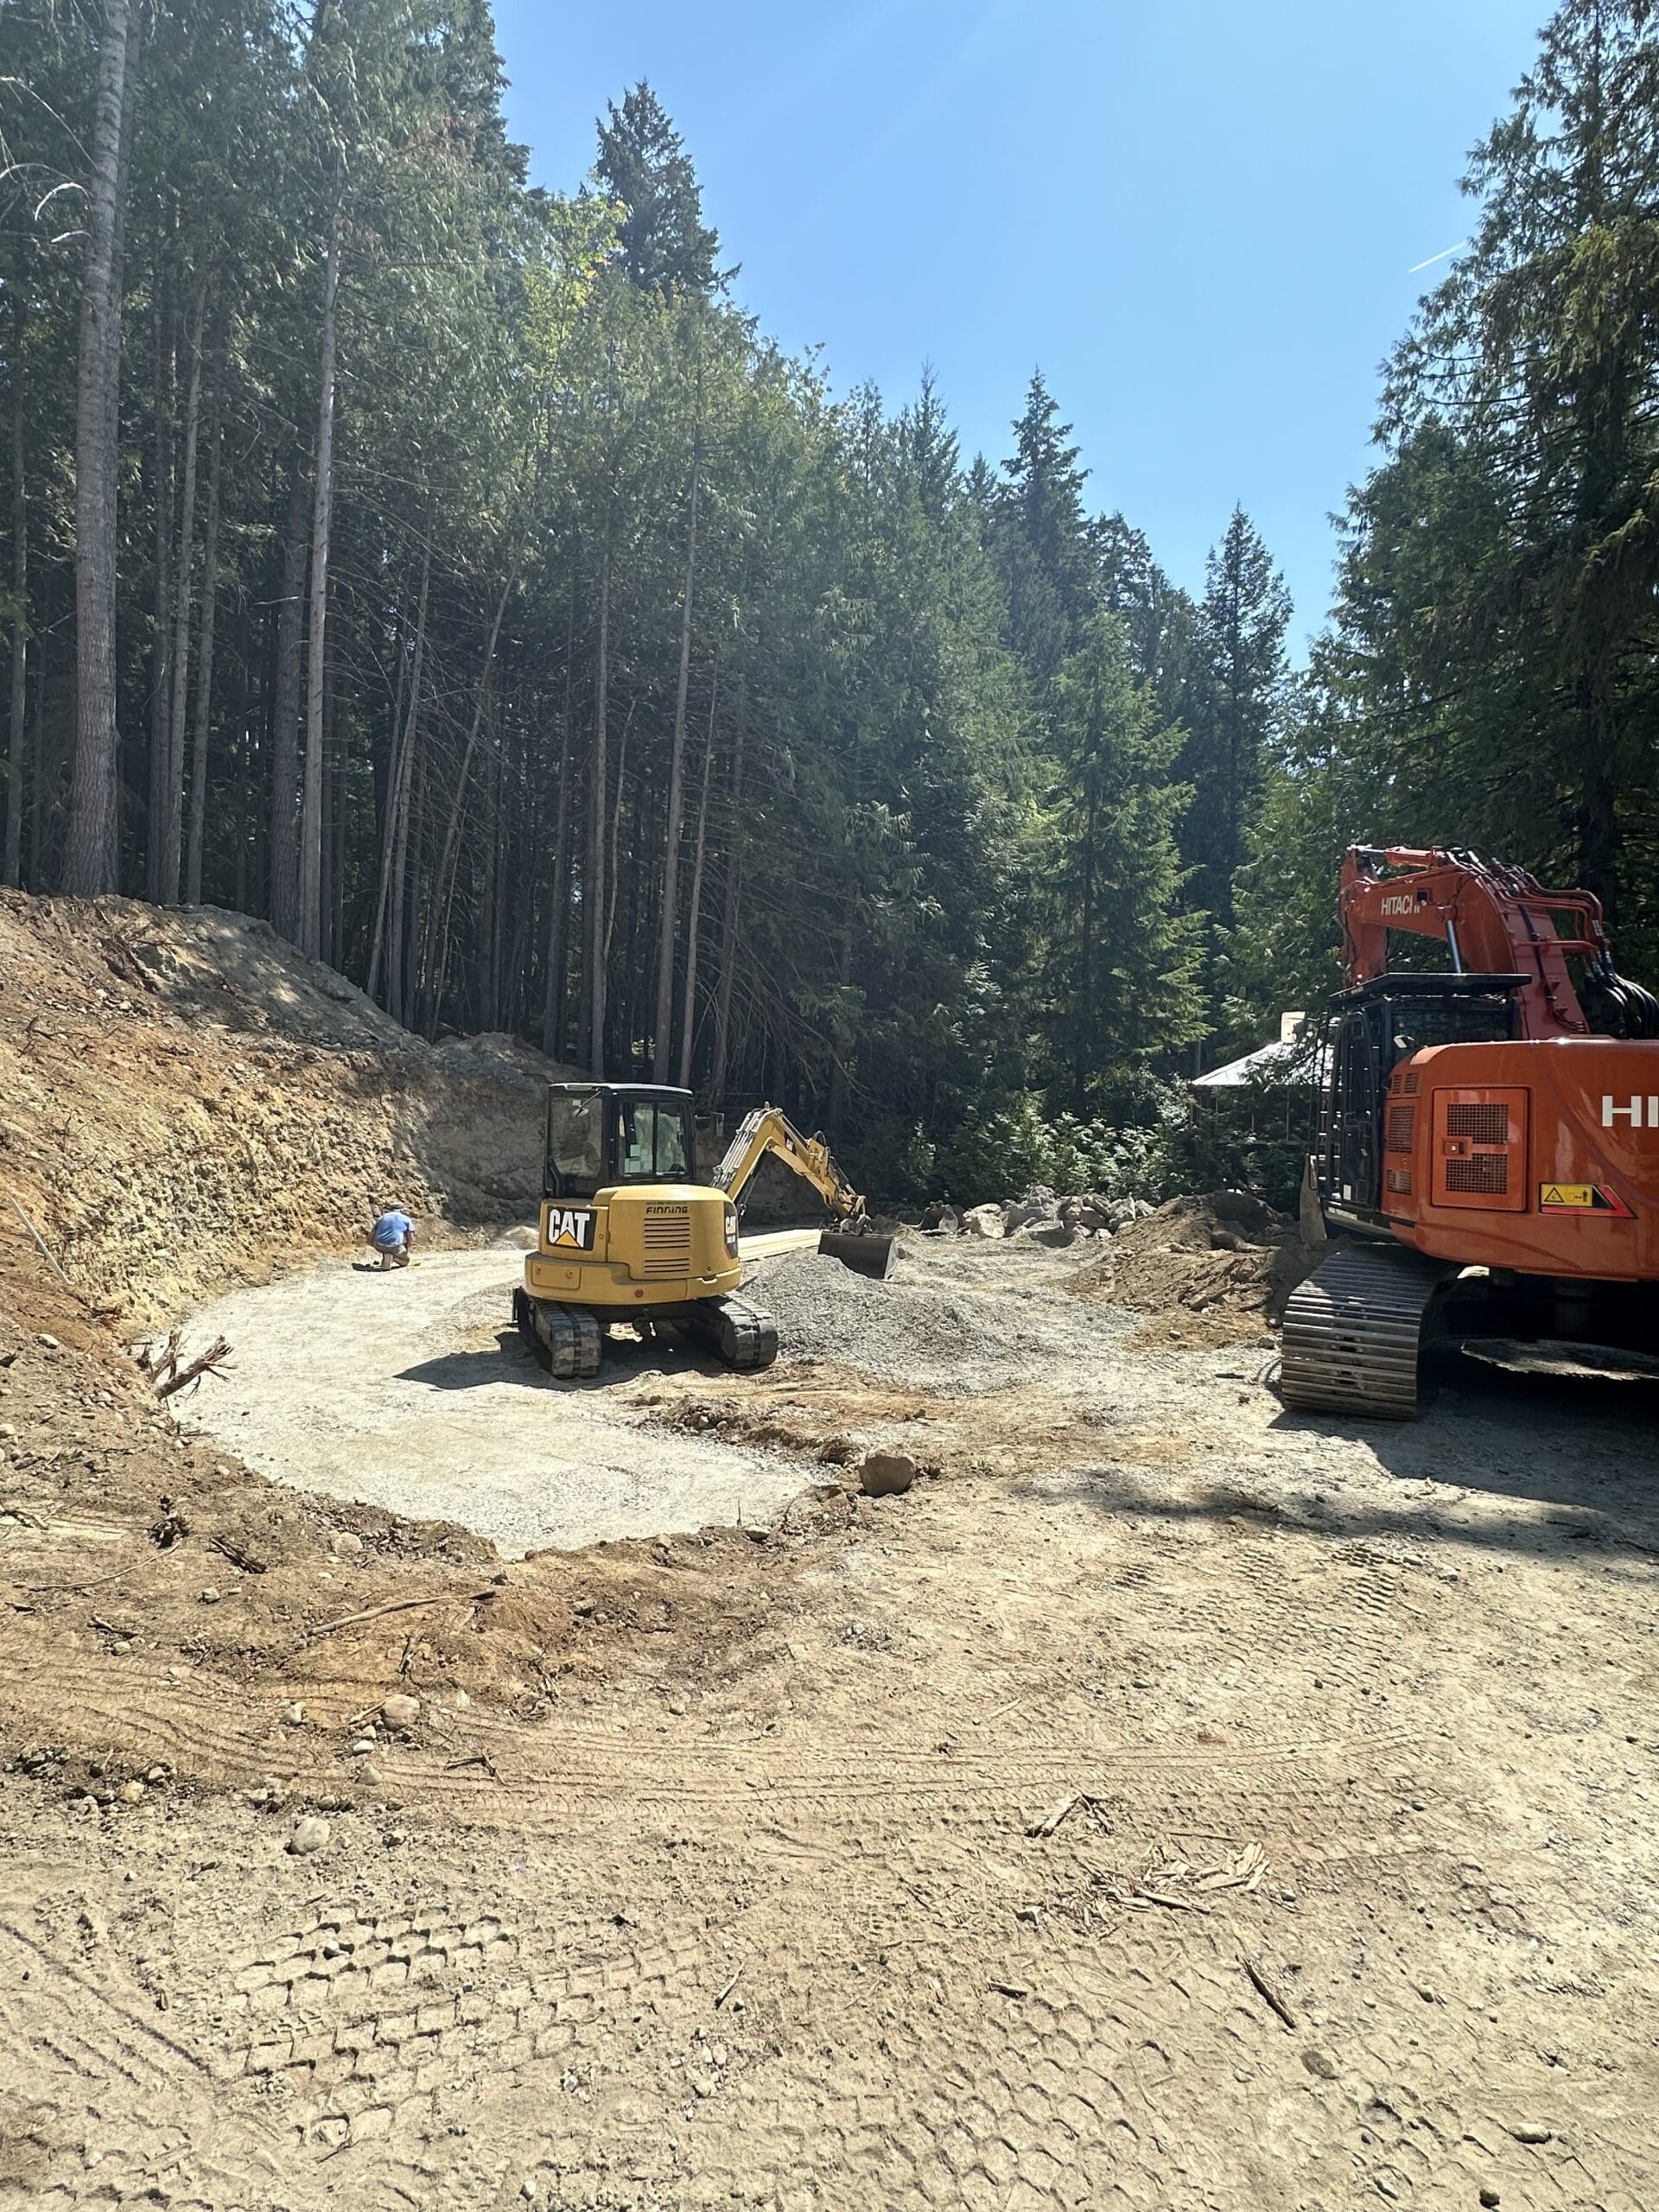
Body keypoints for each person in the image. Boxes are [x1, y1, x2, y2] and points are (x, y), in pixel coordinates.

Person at [368, 1205, 416, 1269]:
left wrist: (372, 1244)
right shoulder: (406, 1219)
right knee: (405, 1262)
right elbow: (411, 1239)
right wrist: (407, 1249)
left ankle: (386, 1258)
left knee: (386, 1245)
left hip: (379, 1245)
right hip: (395, 1246)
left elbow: (371, 1235)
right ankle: (393, 1258)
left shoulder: (382, 1218)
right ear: (402, 1210)